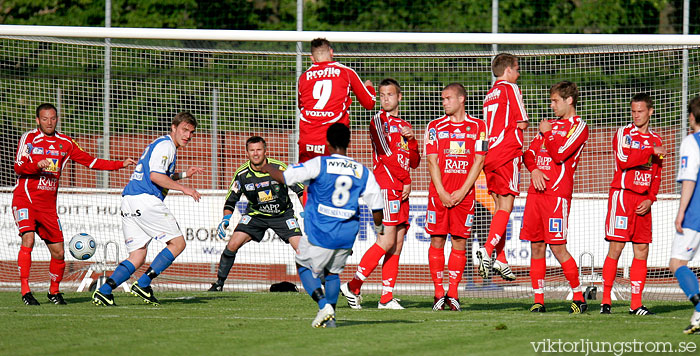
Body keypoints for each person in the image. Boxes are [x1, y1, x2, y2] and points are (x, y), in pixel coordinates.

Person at [12, 103, 136, 305]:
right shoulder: (29, 139)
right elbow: (19, 167)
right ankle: (26, 291)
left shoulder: (66, 143)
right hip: (25, 199)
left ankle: (54, 292)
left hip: (48, 206)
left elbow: (90, 161)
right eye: (45, 119)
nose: (49, 122)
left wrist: (118, 164)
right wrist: (37, 165)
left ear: (57, 119)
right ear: (37, 120)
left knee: (59, 252)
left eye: (52, 118)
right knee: (28, 240)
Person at [262, 123, 384, 328]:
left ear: (327, 143)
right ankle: (331, 318)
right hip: (347, 232)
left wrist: (266, 167)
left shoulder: (320, 164)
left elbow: (285, 177)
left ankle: (323, 304)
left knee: (302, 265)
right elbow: (377, 207)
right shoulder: (362, 171)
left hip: (322, 229)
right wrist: (379, 230)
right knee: (333, 273)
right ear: (349, 143)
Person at [92, 112, 203, 306]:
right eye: (184, 130)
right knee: (178, 244)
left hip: (130, 200)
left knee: (138, 255)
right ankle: (143, 284)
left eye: (191, 132)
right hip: (145, 200)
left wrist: (184, 174)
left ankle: (105, 290)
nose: (188, 135)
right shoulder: (166, 146)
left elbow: (162, 175)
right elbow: (155, 176)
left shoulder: (161, 144)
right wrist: (185, 189)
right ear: (174, 128)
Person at [342, 78, 420, 309]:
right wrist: (406, 181)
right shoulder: (378, 121)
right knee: (385, 240)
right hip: (386, 187)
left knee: (397, 242)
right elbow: (386, 157)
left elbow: (414, 162)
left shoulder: (404, 125)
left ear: (399, 97)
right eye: (382, 95)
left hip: (401, 189)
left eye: (390, 95)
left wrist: (412, 139)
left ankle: (386, 297)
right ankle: (353, 285)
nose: (385, 99)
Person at [520, 81, 589, 313]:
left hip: (556, 195)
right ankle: (538, 300)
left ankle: (578, 296)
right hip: (535, 194)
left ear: (569, 100)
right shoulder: (551, 125)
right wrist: (534, 170)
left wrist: (547, 133)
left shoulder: (578, 126)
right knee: (536, 246)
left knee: (558, 247)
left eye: (555, 101)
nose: (552, 106)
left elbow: (559, 154)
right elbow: (528, 154)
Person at [208, 136, 304, 291]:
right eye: (252, 150)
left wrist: (308, 210)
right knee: (232, 244)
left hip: (282, 215)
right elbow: (231, 200)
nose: (256, 153)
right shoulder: (242, 174)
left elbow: (300, 189)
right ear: (247, 153)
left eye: (259, 149)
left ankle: (326, 284)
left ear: (265, 151)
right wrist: (225, 219)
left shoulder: (279, 168)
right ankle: (218, 284)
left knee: (302, 249)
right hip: (255, 215)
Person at [423, 83, 487, 312]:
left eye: (448, 98)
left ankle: (454, 293)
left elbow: (479, 161)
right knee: (437, 240)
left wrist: (462, 191)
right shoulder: (434, 126)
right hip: (438, 195)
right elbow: (431, 160)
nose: (444, 102)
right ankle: (439, 293)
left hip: (465, 196)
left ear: (461, 99)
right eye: (443, 99)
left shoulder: (479, 127)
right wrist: (441, 191)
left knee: (460, 242)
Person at [601, 94, 665, 316]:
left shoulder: (657, 140)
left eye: (640, 111)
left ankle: (636, 304)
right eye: (633, 111)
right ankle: (606, 301)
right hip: (622, 196)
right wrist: (648, 151)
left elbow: (656, 175)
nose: (636, 115)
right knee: (616, 248)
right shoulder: (624, 134)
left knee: (642, 249)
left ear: (650, 112)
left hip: (643, 200)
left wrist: (650, 199)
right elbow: (623, 161)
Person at [477, 53, 529, 282]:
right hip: (507, 153)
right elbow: (522, 121)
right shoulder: (511, 88)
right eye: (517, 69)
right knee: (506, 206)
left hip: (490, 156)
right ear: (508, 70)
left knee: (499, 208)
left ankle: (501, 257)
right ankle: (487, 250)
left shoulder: (489, 95)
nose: (518, 74)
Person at [297, 37, 376, 163]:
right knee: (333, 179)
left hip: (308, 139)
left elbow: (301, 106)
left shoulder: (304, 77)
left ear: (312, 58)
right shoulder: (346, 72)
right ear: (332, 52)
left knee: (308, 180)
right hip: (333, 141)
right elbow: (369, 103)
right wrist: (369, 87)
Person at [669, 96, 700, 334]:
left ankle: (699, 306)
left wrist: (681, 213)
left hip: (696, 212)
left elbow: (689, 179)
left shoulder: (692, 141)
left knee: (677, 262)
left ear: (692, 117)